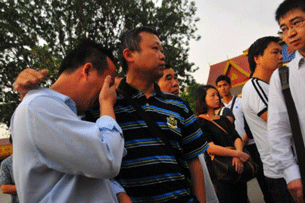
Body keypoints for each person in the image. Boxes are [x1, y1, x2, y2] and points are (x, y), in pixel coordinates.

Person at [13, 27, 209, 202]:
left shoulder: (178, 104)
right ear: (129, 55)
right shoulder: (101, 105)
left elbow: (193, 158)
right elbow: (106, 160)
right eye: (155, 48)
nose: (162, 55)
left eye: (162, 50)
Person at [11, 40, 126, 202]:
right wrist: (106, 104)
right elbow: (108, 159)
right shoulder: (39, 107)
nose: (111, 91)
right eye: (110, 83)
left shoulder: (57, 110)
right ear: (87, 70)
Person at [243, 36, 294, 203]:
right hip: (281, 171)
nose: (281, 56)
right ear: (257, 58)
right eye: (275, 52)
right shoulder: (254, 87)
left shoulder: (272, 85)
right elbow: (279, 121)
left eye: (281, 52)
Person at [158, 64, 219, 203]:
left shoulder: (182, 110)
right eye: (168, 79)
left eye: (175, 78)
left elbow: (200, 156)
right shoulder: (157, 117)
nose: (175, 84)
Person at [216, 75, 274, 203]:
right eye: (219, 86)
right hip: (233, 150)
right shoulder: (217, 109)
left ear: (230, 86)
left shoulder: (240, 102)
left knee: (261, 176)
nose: (223, 88)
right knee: (239, 182)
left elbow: (250, 121)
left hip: (249, 144)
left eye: (225, 85)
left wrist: (246, 137)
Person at [268, 1, 305, 202]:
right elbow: (278, 129)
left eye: (296, 23)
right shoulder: (283, 77)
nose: (290, 33)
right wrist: (290, 172)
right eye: (284, 29)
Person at [195, 85, 250, 203]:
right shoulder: (200, 122)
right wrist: (236, 154)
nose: (217, 98)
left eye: (217, 95)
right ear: (202, 99)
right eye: (212, 95)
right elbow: (210, 148)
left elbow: (236, 137)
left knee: (243, 198)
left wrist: (238, 155)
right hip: (220, 170)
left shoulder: (224, 119)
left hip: (236, 166)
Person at [0, 136, 19, 203]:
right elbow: (4, 188)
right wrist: (24, 188)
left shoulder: (36, 160)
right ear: (11, 143)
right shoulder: (6, 164)